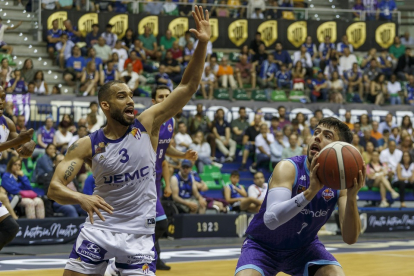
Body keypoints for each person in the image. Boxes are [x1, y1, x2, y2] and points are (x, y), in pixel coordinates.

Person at [47, 7, 211, 276]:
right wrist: (81, 198)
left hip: (138, 235)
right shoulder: (86, 144)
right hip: (99, 230)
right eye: (122, 96)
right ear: (105, 105)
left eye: (131, 95)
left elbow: (188, 86)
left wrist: (202, 43)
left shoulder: (148, 124)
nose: (131, 100)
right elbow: (54, 188)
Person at [235, 117, 365, 276]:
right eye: (316, 132)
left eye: (327, 135)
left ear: (341, 150)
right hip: (262, 246)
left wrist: (352, 197)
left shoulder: (339, 186)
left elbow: (350, 238)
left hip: (304, 248)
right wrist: (310, 192)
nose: (317, 136)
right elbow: (270, 220)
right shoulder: (288, 167)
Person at [148, 85, 198, 271]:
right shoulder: (147, 121)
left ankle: (155, 258)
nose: (165, 99)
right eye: (161, 96)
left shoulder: (171, 121)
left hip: (157, 178)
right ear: (153, 101)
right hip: (143, 179)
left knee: (153, 222)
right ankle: (146, 256)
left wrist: (183, 156)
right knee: (160, 223)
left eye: (168, 96)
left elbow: (165, 150)